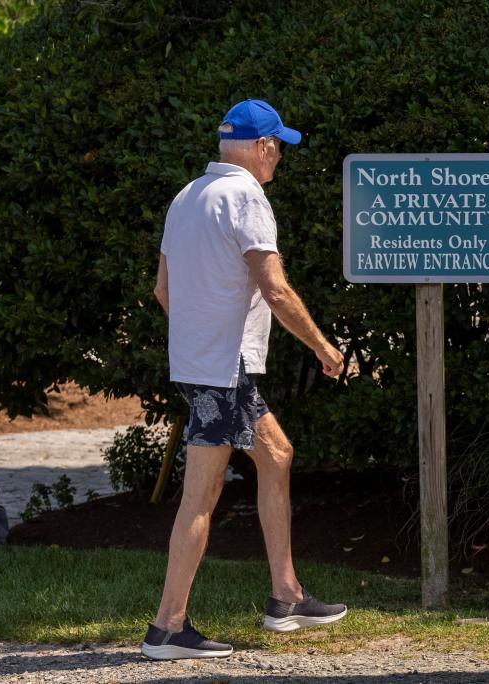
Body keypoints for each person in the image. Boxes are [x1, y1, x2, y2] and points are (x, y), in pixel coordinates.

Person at [142, 99, 348, 660]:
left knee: (277, 453)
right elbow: (275, 289)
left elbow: (164, 291)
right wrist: (324, 347)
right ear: (261, 147)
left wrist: (200, 336)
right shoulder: (247, 197)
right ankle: (167, 627)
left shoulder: (186, 197)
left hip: (206, 365)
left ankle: (286, 597)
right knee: (201, 496)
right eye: (278, 146)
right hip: (221, 370)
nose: (279, 155)